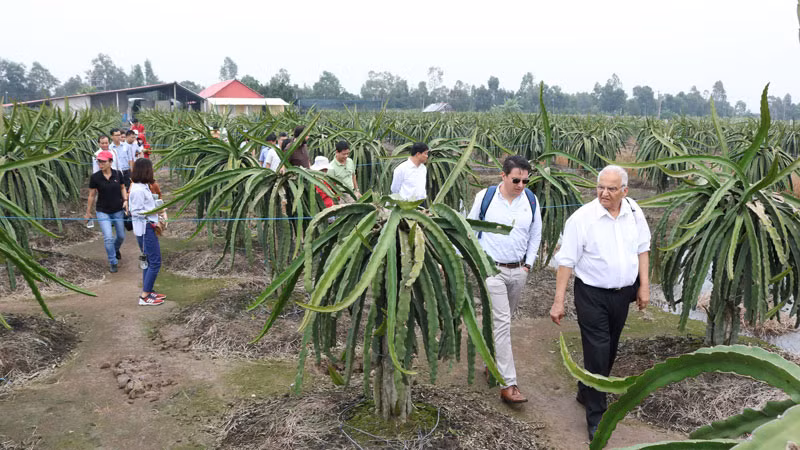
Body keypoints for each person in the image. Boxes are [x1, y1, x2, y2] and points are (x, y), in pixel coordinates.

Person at [549, 164, 651, 441]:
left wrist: (644, 286)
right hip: (591, 295)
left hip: (623, 294)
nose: (604, 193)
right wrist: (558, 302)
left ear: (624, 191)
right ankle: (597, 418)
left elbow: (643, 249)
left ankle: (586, 390)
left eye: (611, 189)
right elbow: (566, 262)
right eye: (600, 187)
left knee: (610, 349)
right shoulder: (582, 219)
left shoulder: (634, 212)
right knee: (597, 351)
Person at [467, 155, 542, 405]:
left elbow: (536, 234)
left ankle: (491, 363)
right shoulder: (486, 197)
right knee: (502, 323)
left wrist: (528, 265)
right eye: (516, 180)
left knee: (503, 322)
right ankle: (508, 384)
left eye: (525, 181)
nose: (521, 185)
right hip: (492, 270)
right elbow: (469, 228)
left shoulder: (531, 201)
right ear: (503, 176)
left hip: (518, 271)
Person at [129, 158, 166, 306]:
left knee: (148, 261)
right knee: (155, 261)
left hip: (147, 227)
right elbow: (135, 211)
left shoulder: (143, 186)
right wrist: (154, 212)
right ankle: (144, 296)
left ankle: (148, 290)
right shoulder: (138, 190)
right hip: (146, 229)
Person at [85, 150, 127, 273]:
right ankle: (113, 261)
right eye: (99, 161)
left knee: (121, 236)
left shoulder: (118, 174)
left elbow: (122, 187)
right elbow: (91, 195)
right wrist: (88, 212)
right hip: (102, 211)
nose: (101, 164)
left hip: (118, 210)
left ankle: (115, 249)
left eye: (103, 161)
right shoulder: (95, 177)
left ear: (110, 162)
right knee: (108, 237)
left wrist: (125, 200)